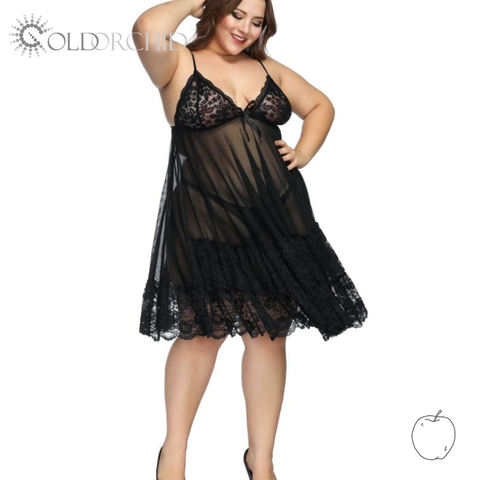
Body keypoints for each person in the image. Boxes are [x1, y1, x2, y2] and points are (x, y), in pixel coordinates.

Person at [132, 1, 368, 479]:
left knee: (269, 336)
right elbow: (145, 27)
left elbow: (320, 106)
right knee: (201, 336)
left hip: (278, 221)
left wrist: (303, 151)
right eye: (237, 14)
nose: (245, 28)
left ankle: (261, 462)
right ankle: (173, 452)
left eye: (257, 21)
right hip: (206, 223)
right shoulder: (176, 62)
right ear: (214, 10)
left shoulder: (268, 68)